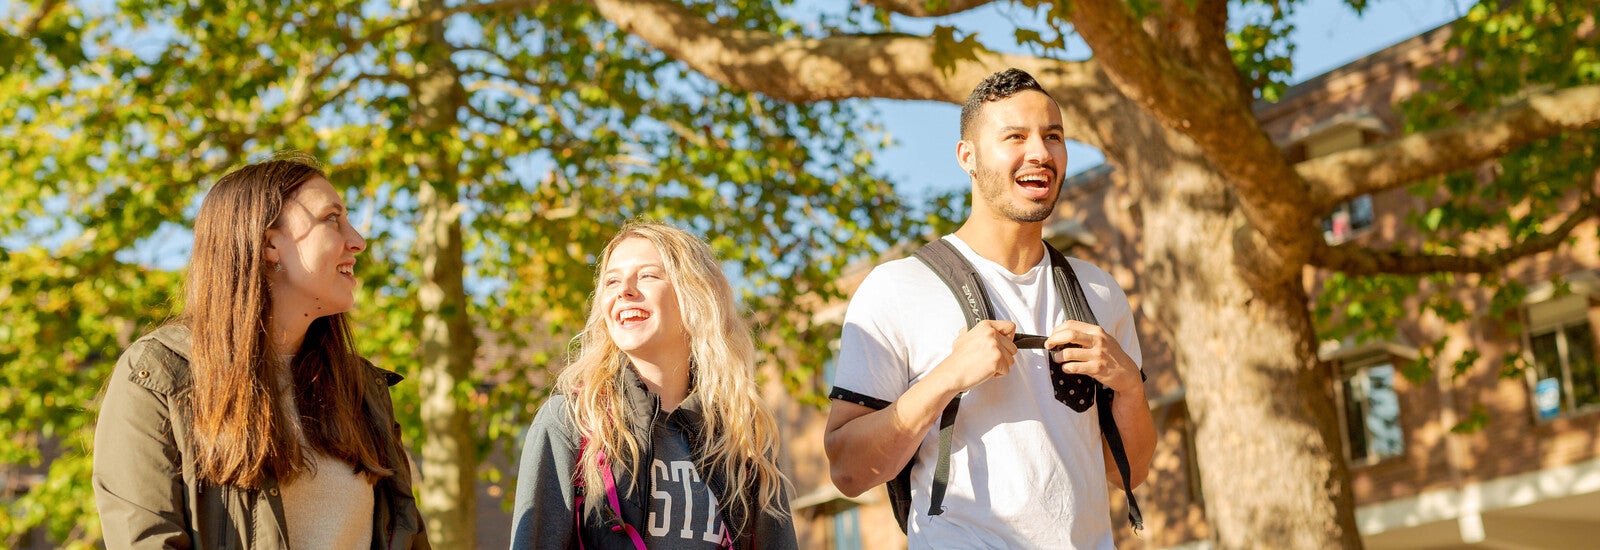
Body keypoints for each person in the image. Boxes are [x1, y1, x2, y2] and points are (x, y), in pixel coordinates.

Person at [823, 68, 1157, 549]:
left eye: (1053, 136)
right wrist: (948, 377)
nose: (1040, 153)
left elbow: (1130, 469)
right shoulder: (897, 288)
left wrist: (1126, 383)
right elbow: (848, 470)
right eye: (1015, 136)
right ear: (968, 156)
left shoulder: (1099, 292)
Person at [92, 155, 429, 549]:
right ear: (270, 242)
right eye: (331, 219)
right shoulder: (158, 375)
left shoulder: (362, 390)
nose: (357, 240)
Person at [510, 222, 798, 550]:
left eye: (647, 275)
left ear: (697, 295)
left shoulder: (744, 435)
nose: (625, 291)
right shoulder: (570, 421)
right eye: (612, 281)